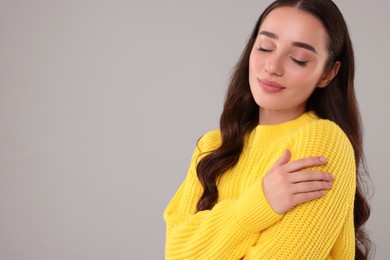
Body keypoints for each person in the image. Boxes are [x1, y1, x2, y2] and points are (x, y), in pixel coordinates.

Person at [164, 0, 372, 259]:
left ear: (327, 74)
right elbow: (176, 251)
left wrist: (215, 241)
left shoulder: (324, 142)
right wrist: (258, 205)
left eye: (299, 59)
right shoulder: (211, 147)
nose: (272, 67)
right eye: (265, 47)